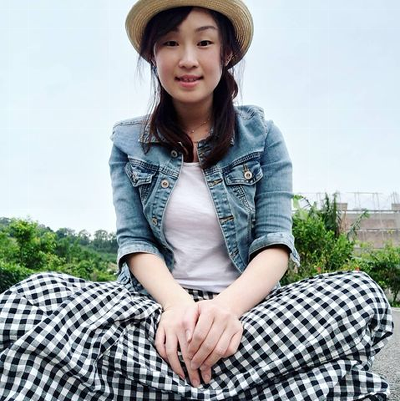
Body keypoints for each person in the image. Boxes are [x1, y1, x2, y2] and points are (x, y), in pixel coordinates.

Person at [0, 1, 394, 400]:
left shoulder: (263, 135)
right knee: (29, 299)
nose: (187, 59)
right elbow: (136, 243)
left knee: (358, 294)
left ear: (226, 53)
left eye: (204, 42)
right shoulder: (127, 142)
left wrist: (224, 311)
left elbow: (275, 244)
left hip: (249, 313)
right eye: (171, 43)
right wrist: (177, 307)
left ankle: (155, 381)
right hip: (153, 311)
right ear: (153, 55)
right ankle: (254, 383)